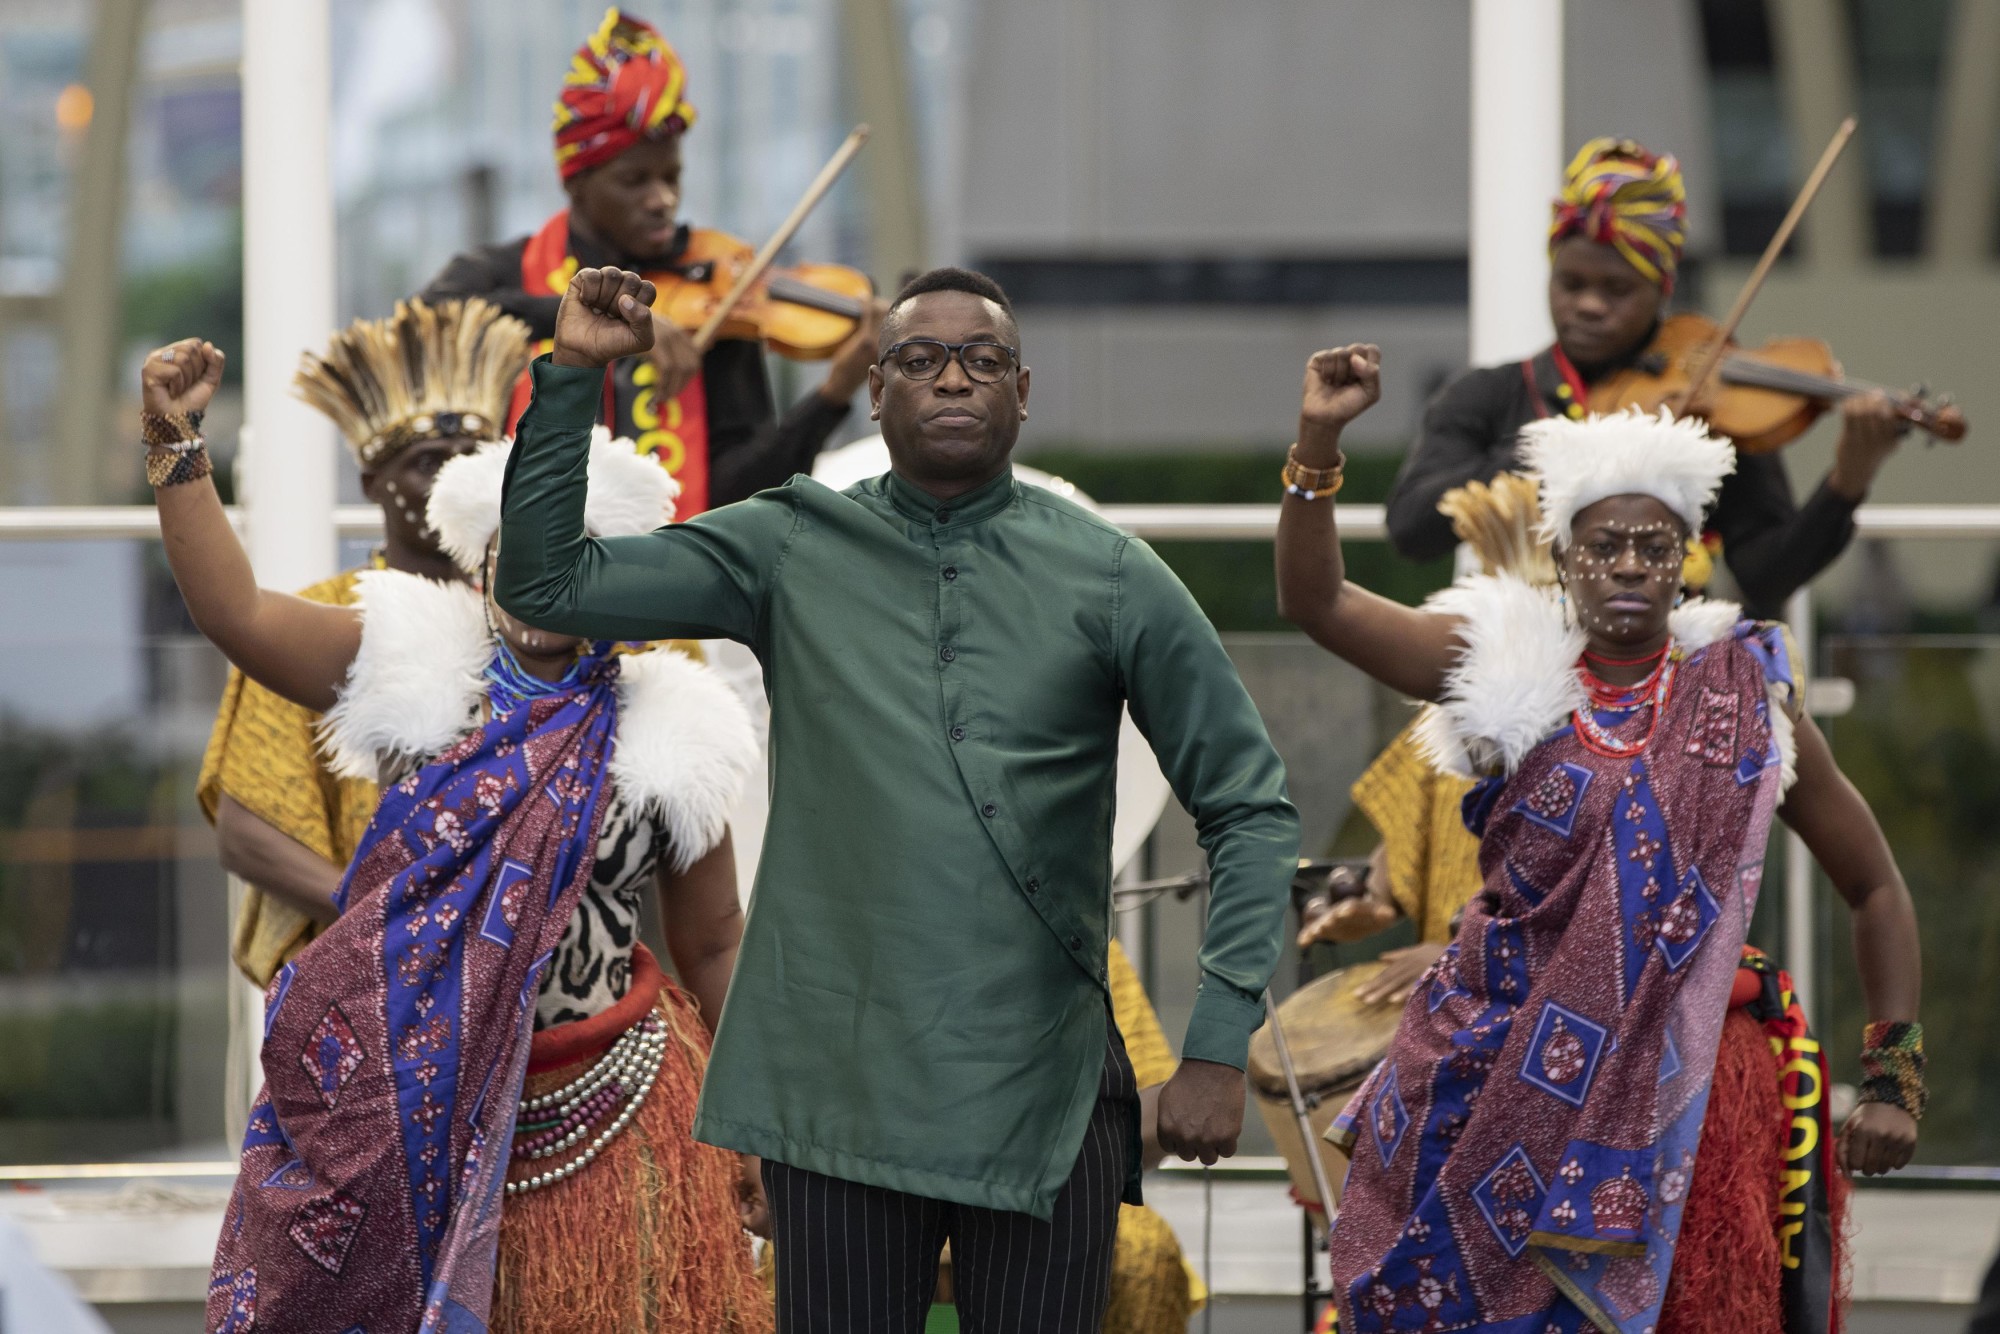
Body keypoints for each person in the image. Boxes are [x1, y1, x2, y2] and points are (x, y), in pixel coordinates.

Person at [493, 263, 1300, 1333]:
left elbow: (1247, 803)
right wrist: (574, 374)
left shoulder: (1111, 573)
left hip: (1043, 1080)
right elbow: (546, 585)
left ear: (1022, 391)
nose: (951, 378)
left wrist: (1214, 1039)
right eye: (919, 359)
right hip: (838, 1083)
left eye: (982, 360)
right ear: (874, 392)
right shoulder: (788, 540)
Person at [1276, 343, 1924, 1333]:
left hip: (1673, 1095)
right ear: (1562, 553)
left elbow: (1872, 883)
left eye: (1652, 546)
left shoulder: (1748, 696)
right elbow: (1315, 603)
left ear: (1685, 556)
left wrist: (1893, 1081)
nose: (1627, 564)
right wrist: (1318, 442)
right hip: (1478, 1059)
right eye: (1603, 544)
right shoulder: (1500, 661)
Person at [140, 336, 769, 1334]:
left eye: (570, 554)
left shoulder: (672, 723)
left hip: (622, 1113)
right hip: (409, 1118)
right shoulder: (415, 668)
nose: (536, 574)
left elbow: (718, 943)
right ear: (479, 564)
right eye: (513, 548)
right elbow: (238, 612)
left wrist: (756, 1131)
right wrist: (177, 445)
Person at [1385, 136, 1932, 620]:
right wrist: (1567, 445)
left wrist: (1847, 482)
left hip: (1668, 684)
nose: (1589, 306)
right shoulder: (1490, 394)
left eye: (1617, 290)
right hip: (1513, 677)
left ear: (1663, 291)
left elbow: (1766, 574)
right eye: (1571, 284)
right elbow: (1411, 527)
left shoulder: (1709, 407)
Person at [420, 7, 881, 516]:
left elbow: (745, 497)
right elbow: (431, 315)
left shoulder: (723, 298)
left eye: (672, 178)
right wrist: (603, 315)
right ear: (575, 183)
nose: (663, 199)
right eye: (636, 181)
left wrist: (833, 395)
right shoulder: (512, 269)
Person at [198, 296, 521, 988]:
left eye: (471, 459)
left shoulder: (536, 621)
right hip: (363, 988)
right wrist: (395, 915)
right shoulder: (327, 618)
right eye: (429, 461)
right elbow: (248, 830)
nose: (452, 480)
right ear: (374, 483)